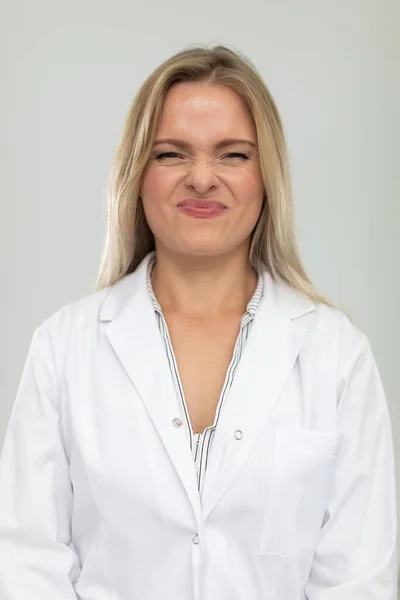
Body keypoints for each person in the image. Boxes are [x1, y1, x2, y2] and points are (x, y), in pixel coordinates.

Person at [0, 44, 397, 600]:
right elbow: (26, 566)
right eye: (171, 154)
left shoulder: (336, 356)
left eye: (233, 154)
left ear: (267, 176)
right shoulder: (64, 349)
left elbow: (358, 581)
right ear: (138, 174)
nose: (203, 179)